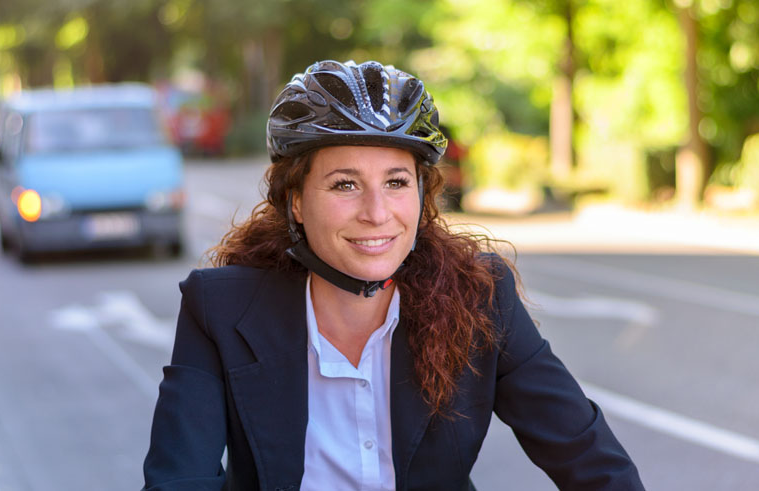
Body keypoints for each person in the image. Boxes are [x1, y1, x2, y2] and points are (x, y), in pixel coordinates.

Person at [142, 60, 643, 490]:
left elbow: (590, 459)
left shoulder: (480, 298)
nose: (377, 213)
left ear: (422, 195)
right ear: (295, 202)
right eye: (345, 185)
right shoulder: (220, 309)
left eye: (396, 182)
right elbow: (179, 479)